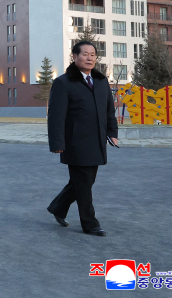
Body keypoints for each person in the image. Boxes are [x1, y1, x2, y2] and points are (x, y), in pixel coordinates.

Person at [46, 41, 118, 236]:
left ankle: (58, 207)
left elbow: (109, 110)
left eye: (93, 54)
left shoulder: (101, 81)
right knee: (84, 184)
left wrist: (112, 132)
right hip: (75, 142)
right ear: (75, 57)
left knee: (83, 181)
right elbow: (56, 116)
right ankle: (90, 223)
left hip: (97, 141)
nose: (89, 58)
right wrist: (57, 143)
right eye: (85, 54)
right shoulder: (63, 83)